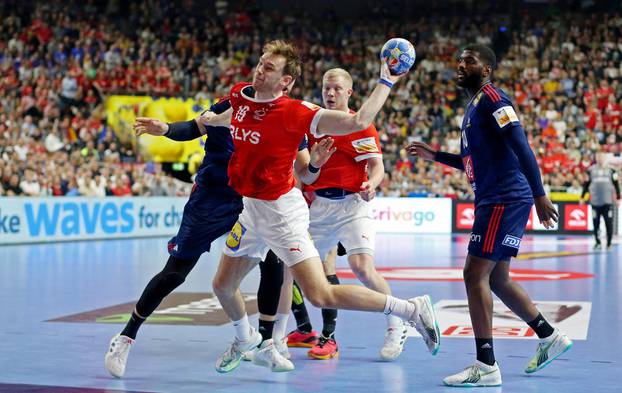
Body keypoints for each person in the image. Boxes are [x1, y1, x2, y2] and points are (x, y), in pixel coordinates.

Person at [203, 40, 440, 373]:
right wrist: (205, 122)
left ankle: (410, 310)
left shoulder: (297, 112)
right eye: (260, 63)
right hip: (251, 210)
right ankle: (247, 341)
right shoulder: (242, 97)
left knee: (321, 294)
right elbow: (226, 117)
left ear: (286, 81)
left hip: (283, 214)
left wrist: (386, 80)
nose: (259, 70)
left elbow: (358, 121)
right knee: (223, 286)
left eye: (268, 68)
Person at [103, 97, 329, 377]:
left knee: (272, 262)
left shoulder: (287, 117)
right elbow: (196, 127)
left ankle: (265, 341)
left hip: (252, 199)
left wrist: (316, 165)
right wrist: (167, 129)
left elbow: (304, 170)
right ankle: (125, 337)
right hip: (211, 199)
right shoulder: (229, 105)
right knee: (175, 273)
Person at [406, 44, 572, 387]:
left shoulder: (493, 98)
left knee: (473, 274)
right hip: (499, 197)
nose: (461, 65)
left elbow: (521, 143)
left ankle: (486, 365)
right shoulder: (474, 106)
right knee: (496, 278)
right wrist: (436, 155)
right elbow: (471, 160)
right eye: (459, 60)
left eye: (470, 60)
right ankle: (549, 336)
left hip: (503, 198)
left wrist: (540, 194)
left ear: (487, 69)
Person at [285, 68, 408, 361]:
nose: (330, 93)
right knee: (291, 269)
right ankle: (285, 334)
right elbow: (307, 176)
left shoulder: (361, 126)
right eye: (326, 88)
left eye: (337, 89)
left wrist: (371, 184)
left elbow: (378, 167)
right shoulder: (312, 127)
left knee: (362, 267)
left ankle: (396, 323)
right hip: (319, 207)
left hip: (354, 204)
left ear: (349, 93)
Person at [581, 151, 620, 250]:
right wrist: (582, 197)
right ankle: (597, 242)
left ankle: (609, 243)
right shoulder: (590, 170)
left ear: (605, 158)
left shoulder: (612, 170)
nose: (600, 158)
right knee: (595, 223)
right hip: (595, 201)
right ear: (595, 158)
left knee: (608, 223)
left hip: (607, 202)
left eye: (602, 157)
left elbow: (616, 185)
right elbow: (586, 184)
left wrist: (619, 198)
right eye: (598, 157)